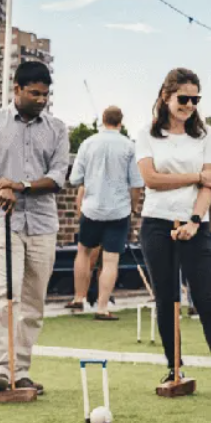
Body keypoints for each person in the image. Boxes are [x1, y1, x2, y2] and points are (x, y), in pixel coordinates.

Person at [136, 68, 211, 402]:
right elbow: (151, 179)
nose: (189, 105)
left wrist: (195, 221)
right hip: (156, 223)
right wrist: (195, 175)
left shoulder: (206, 136)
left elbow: (209, 185)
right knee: (166, 299)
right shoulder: (147, 134)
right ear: (165, 96)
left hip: (195, 226)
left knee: (206, 300)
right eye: (183, 99)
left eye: (195, 100)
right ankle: (174, 368)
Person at [0, 61, 69, 393]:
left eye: (46, 94)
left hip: (42, 222)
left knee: (33, 300)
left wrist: (21, 186)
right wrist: (0, 186)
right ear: (16, 89)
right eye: (35, 93)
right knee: (7, 291)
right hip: (2, 218)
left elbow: (58, 177)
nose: (41, 99)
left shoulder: (57, 129)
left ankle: (21, 369)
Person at [66, 105, 144, 319]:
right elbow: (136, 184)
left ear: (102, 120)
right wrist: (134, 206)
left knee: (83, 252)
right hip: (118, 210)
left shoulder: (87, 143)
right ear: (121, 122)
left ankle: (79, 298)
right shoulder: (129, 146)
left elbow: (75, 179)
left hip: (91, 208)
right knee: (111, 260)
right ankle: (102, 307)